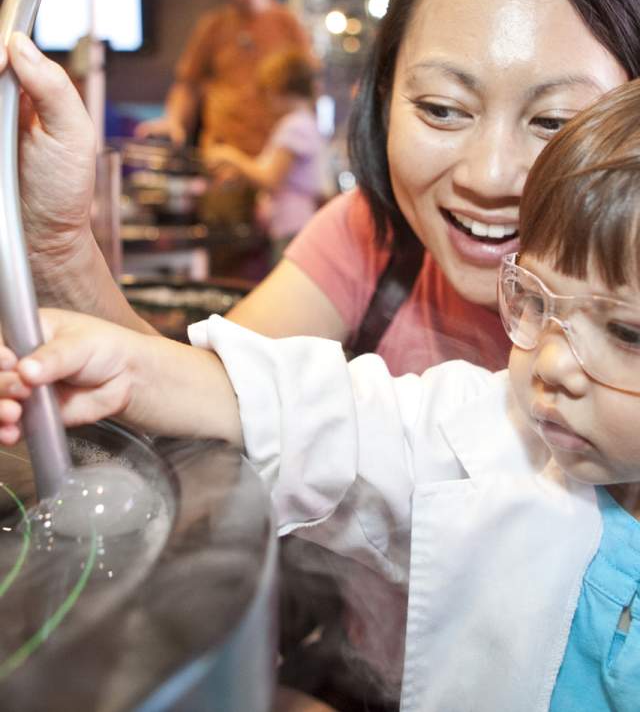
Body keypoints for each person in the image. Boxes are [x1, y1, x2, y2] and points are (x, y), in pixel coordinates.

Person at [3, 79, 640, 712]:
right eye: (537, 301)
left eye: (624, 331)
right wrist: (134, 367)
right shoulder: (494, 436)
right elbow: (325, 418)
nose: (554, 363)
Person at [5, 0, 640, 381]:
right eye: (444, 109)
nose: (490, 176)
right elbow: (195, 390)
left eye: (555, 122)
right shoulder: (370, 234)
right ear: (384, 101)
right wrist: (57, 240)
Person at [135, 0, 312, 157]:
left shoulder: (288, 24)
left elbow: (308, 90)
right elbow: (188, 84)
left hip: (273, 159)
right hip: (223, 156)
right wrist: (174, 119)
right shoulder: (214, 26)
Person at [204, 50, 324, 264]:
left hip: (291, 228)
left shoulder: (295, 125)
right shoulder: (302, 122)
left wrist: (232, 156)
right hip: (289, 227)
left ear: (280, 88)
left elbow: (271, 179)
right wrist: (237, 172)